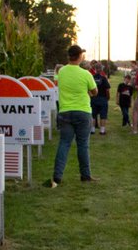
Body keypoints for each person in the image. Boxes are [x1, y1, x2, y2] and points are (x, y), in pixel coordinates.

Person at [46, 44, 98, 187]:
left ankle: (57, 176)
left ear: (69, 56)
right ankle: (85, 175)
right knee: (83, 145)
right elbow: (95, 92)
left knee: (64, 143)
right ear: (80, 56)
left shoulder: (62, 72)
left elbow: (56, 81)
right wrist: (87, 92)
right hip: (83, 112)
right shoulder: (86, 74)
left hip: (65, 112)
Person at [90, 64, 110, 135]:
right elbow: (107, 89)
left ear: (95, 69)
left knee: (93, 115)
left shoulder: (91, 77)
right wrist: (108, 97)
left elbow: (88, 89)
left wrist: (91, 95)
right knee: (103, 115)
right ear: (101, 69)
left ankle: (92, 130)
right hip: (103, 99)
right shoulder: (104, 78)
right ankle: (102, 131)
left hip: (93, 98)